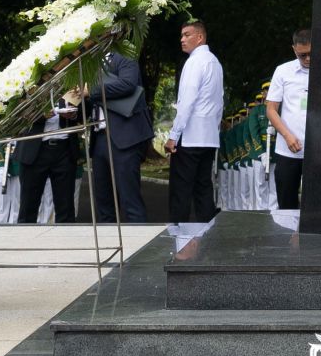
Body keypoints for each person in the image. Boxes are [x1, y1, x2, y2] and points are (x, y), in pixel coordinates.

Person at [164, 18, 225, 223]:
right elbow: (220, 101)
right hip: (208, 136)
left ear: (200, 37)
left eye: (187, 35)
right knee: (203, 188)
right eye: (181, 35)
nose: (182, 39)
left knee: (181, 189)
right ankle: (207, 233)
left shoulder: (195, 62)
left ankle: (178, 233)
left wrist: (174, 135)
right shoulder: (215, 62)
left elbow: (187, 102)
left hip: (190, 137)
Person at [89, 47, 152, 222]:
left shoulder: (125, 56)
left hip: (125, 138)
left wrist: (91, 89)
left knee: (130, 200)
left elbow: (128, 84)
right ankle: (107, 246)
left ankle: (142, 247)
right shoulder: (88, 64)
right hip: (99, 138)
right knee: (104, 204)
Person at [4, 89, 84, 223]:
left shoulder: (69, 78)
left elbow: (86, 109)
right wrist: (42, 114)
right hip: (34, 149)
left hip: (64, 148)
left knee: (66, 208)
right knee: (28, 207)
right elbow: (16, 111)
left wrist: (73, 115)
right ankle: (24, 242)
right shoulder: (28, 80)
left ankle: (66, 242)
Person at [267, 29, 311, 211]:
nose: (308, 59)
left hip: (320, 151)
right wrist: (287, 135)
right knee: (286, 204)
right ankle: (287, 238)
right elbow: (271, 109)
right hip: (288, 150)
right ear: (294, 50)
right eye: (303, 55)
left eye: (311, 54)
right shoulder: (283, 71)